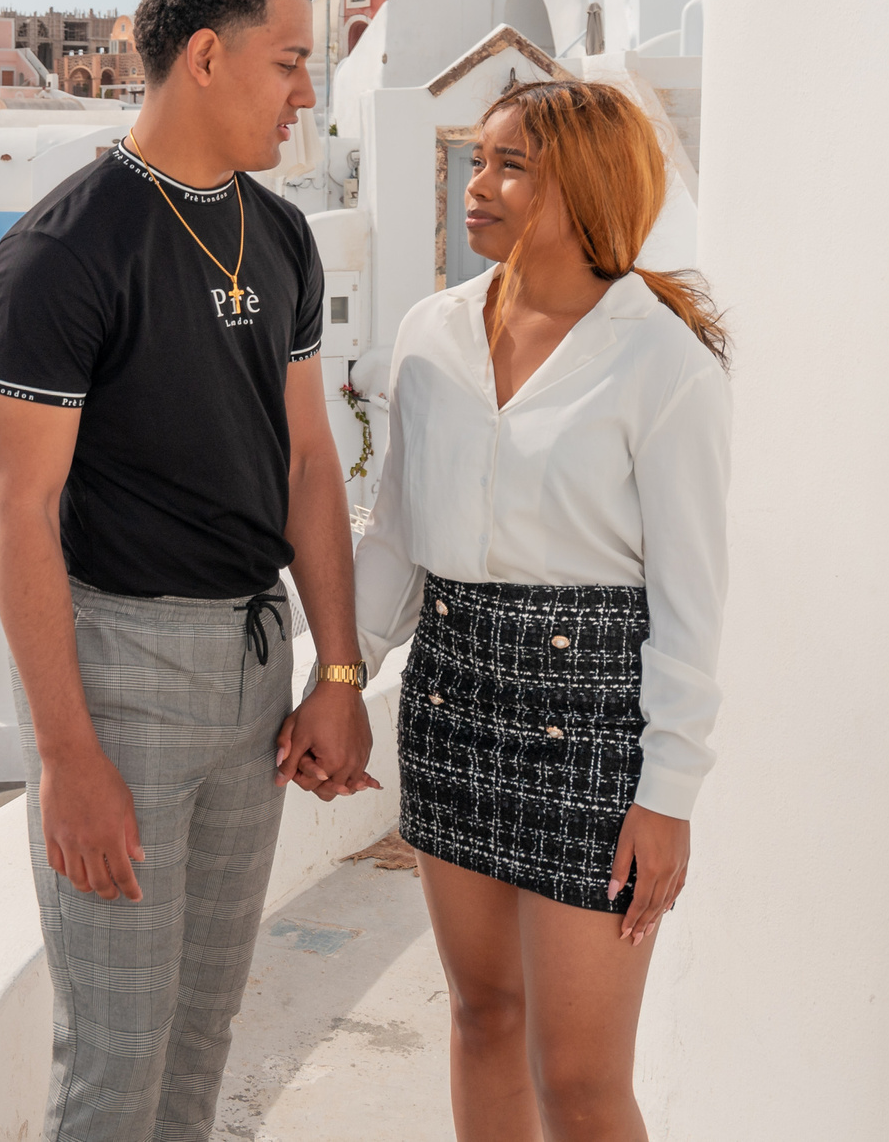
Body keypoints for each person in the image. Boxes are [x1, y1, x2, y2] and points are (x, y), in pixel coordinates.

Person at [0, 0, 379, 1142]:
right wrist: (67, 754)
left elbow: (310, 462)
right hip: (123, 681)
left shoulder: (283, 234)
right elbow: (17, 515)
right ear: (206, 57)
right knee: (112, 1065)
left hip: (255, 671)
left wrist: (338, 672)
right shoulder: (63, 250)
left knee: (202, 1037)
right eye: (290, 62)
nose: (307, 91)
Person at [353, 78, 731, 1142]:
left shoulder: (660, 358)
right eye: (478, 159)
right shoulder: (431, 334)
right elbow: (395, 541)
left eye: (510, 165)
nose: (476, 185)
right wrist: (333, 677)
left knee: (578, 1079)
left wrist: (669, 795)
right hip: (453, 691)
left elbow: (691, 597)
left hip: (593, 718)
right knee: (482, 1019)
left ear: (588, 188)